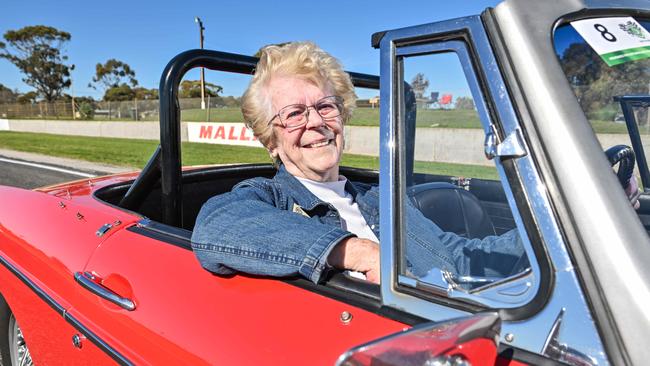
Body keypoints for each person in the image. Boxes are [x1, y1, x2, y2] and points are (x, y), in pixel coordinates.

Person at [191, 41, 531, 285]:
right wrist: (358, 251)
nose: (316, 122)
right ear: (271, 140)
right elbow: (215, 225)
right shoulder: (271, 198)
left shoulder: (381, 199)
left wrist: (542, 241)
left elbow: (455, 255)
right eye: (294, 113)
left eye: (326, 106)